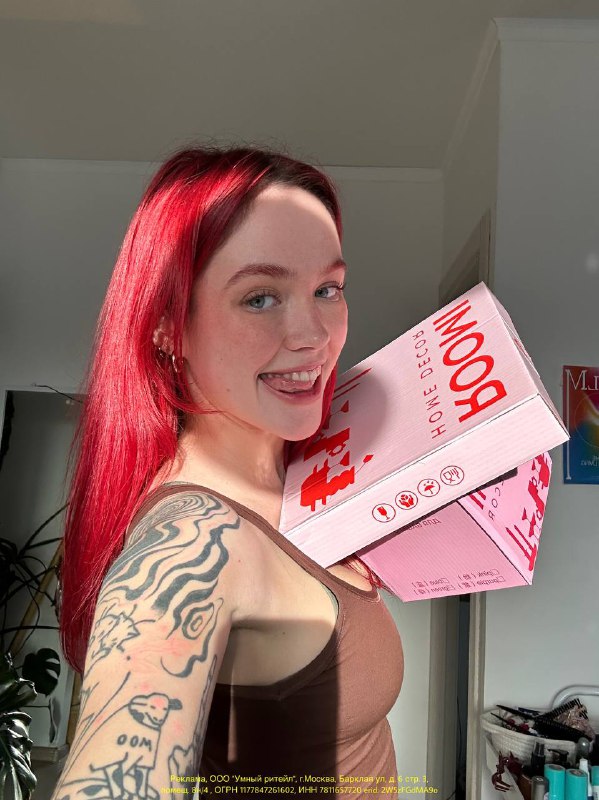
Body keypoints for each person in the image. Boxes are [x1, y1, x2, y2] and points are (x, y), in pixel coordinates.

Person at [53, 146, 404, 800]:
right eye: (260, 297)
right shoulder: (192, 545)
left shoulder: (300, 460)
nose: (314, 335)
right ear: (167, 326)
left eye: (327, 289)